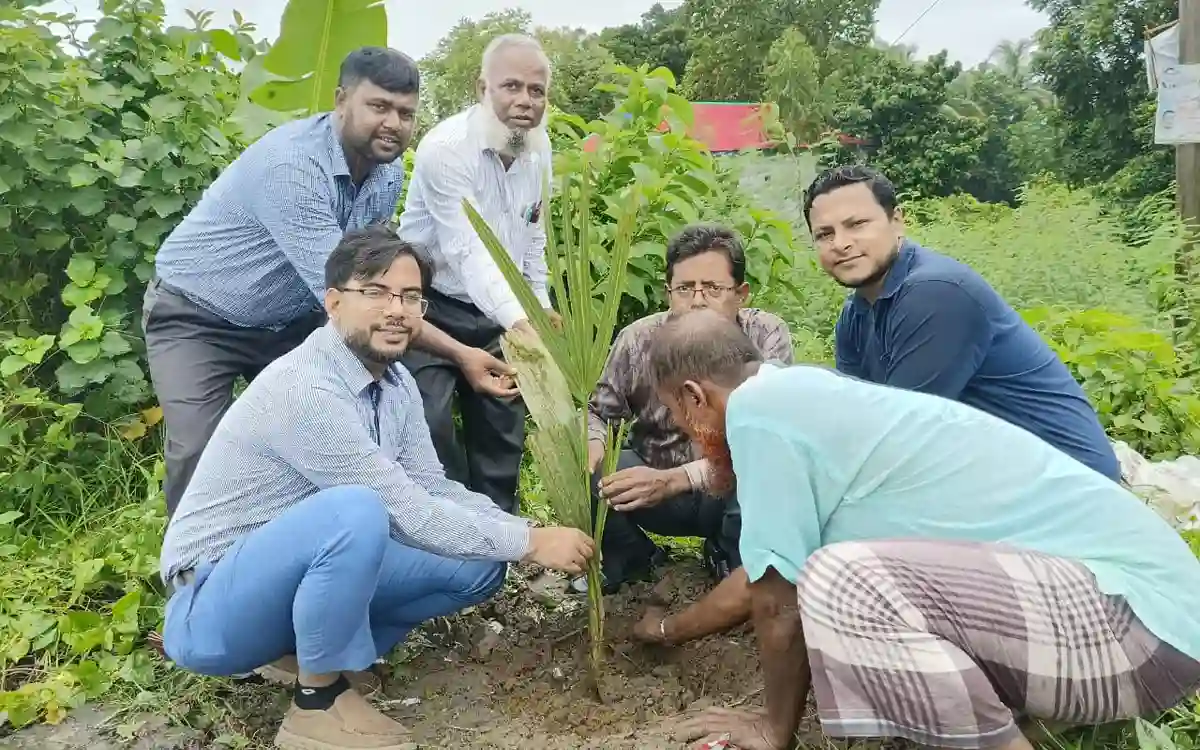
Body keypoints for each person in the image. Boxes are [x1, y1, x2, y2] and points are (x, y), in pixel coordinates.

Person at [648, 311, 1200, 750]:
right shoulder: (800, 397)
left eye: (677, 414)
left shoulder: (759, 413)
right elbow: (764, 575)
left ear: (695, 395)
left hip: (1131, 631)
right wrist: (669, 630)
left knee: (839, 580)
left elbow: (776, 599)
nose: (684, 430)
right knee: (840, 574)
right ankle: (1023, 722)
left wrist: (773, 728)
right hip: (1145, 628)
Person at [158, 227, 595, 750]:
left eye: (411, 297)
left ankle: (309, 660)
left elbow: (434, 487)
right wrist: (531, 544)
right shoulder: (305, 389)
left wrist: (525, 530)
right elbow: (405, 509)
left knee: (478, 564)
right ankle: (314, 707)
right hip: (211, 607)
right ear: (334, 302)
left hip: (289, 580)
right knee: (356, 512)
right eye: (378, 293)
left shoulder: (396, 383)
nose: (398, 309)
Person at [145, 46, 515, 518]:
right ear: (342, 100)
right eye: (378, 107)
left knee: (328, 433)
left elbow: (370, 278)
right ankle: (194, 576)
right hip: (198, 317)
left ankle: (307, 555)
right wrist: (463, 354)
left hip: (291, 317)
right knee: (200, 447)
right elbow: (361, 295)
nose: (393, 123)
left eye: (405, 113)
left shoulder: (386, 172)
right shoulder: (292, 168)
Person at [806, 164, 1122, 482]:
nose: (841, 243)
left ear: (897, 221)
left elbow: (897, 440)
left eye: (857, 224)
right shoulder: (856, 313)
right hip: (995, 475)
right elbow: (855, 420)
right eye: (825, 234)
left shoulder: (936, 293)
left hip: (1070, 485)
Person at [577, 224, 792, 595]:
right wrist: (592, 448)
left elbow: (772, 435)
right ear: (668, 293)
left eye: (712, 288)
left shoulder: (765, 335)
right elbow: (599, 412)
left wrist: (678, 478)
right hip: (653, 481)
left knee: (771, 467)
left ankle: (728, 557)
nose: (697, 300)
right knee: (589, 465)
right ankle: (633, 560)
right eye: (684, 288)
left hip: (733, 487)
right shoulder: (638, 339)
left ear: (740, 294)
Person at [397, 34, 559, 515]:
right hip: (434, 304)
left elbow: (533, 238)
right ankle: (444, 532)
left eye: (537, 90)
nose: (525, 101)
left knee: (502, 425)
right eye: (512, 86)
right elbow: (467, 250)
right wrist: (518, 317)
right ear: (482, 88)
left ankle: (497, 544)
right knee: (427, 420)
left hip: (501, 310)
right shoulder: (446, 150)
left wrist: (541, 306)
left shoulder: (539, 148)